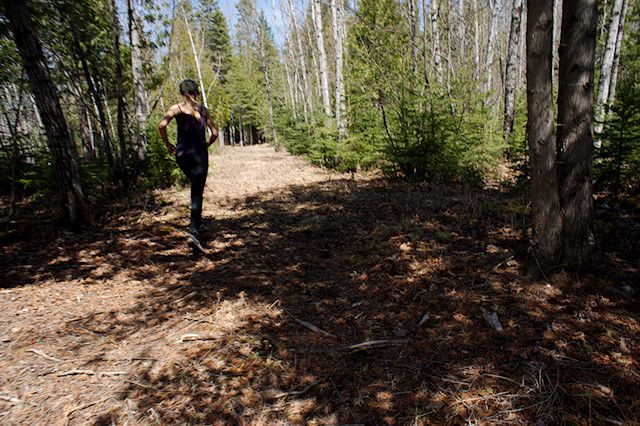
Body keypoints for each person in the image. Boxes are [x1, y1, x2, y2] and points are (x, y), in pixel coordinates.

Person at [158, 79, 218, 252]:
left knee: (195, 187)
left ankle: (197, 223)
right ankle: (193, 231)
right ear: (196, 92)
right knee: (197, 191)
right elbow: (215, 133)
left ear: (181, 92)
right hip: (199, 155)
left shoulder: (175, 109)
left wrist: (168, 144)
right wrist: (206, 144)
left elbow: (162, 125)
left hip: (182, 155)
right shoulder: (203, 110)